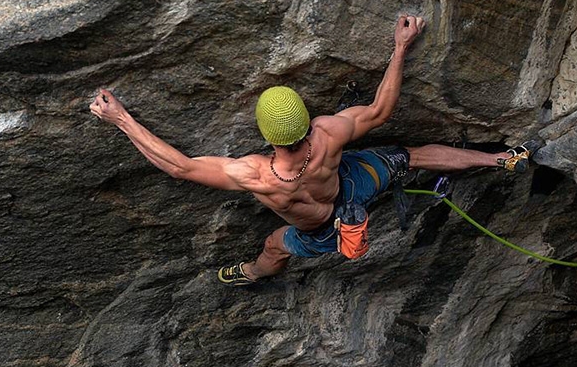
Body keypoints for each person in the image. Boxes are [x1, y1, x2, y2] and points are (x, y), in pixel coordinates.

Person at [89, 16, 538, 285]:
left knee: (274, 247)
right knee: (411, 154)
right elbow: (380, 110)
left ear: (266, 134)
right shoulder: (327, 134)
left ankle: (249, 274)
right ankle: (499, 158)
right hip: (351, 182)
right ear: (305, 119)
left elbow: (180, 168)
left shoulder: (256, 174)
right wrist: (400, 47)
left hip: (324, 227)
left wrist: (122, 119)